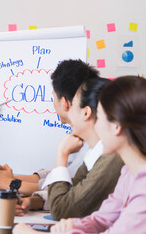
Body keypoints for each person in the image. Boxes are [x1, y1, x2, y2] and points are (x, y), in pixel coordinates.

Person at [14, 76, 146, 234]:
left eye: (99, 117)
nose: (96, 126)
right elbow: (102, 219)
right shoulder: (128, 173)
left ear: (116, 126)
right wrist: (74, 227)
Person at [0, 60, 99, 210]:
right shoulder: (80, 136)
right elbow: (61, 177)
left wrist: (12, 184)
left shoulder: (95, 145)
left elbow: (68, 189)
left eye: (53, 96)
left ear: (64, 102)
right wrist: (11, 179)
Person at [18, 78, 124, 219]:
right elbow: (72, 192)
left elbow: (62, 210)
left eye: (72, 105)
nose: (67, 110)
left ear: (86, 112)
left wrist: (61, 155)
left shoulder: (111, 158)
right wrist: (34, 200)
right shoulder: (95, 153)